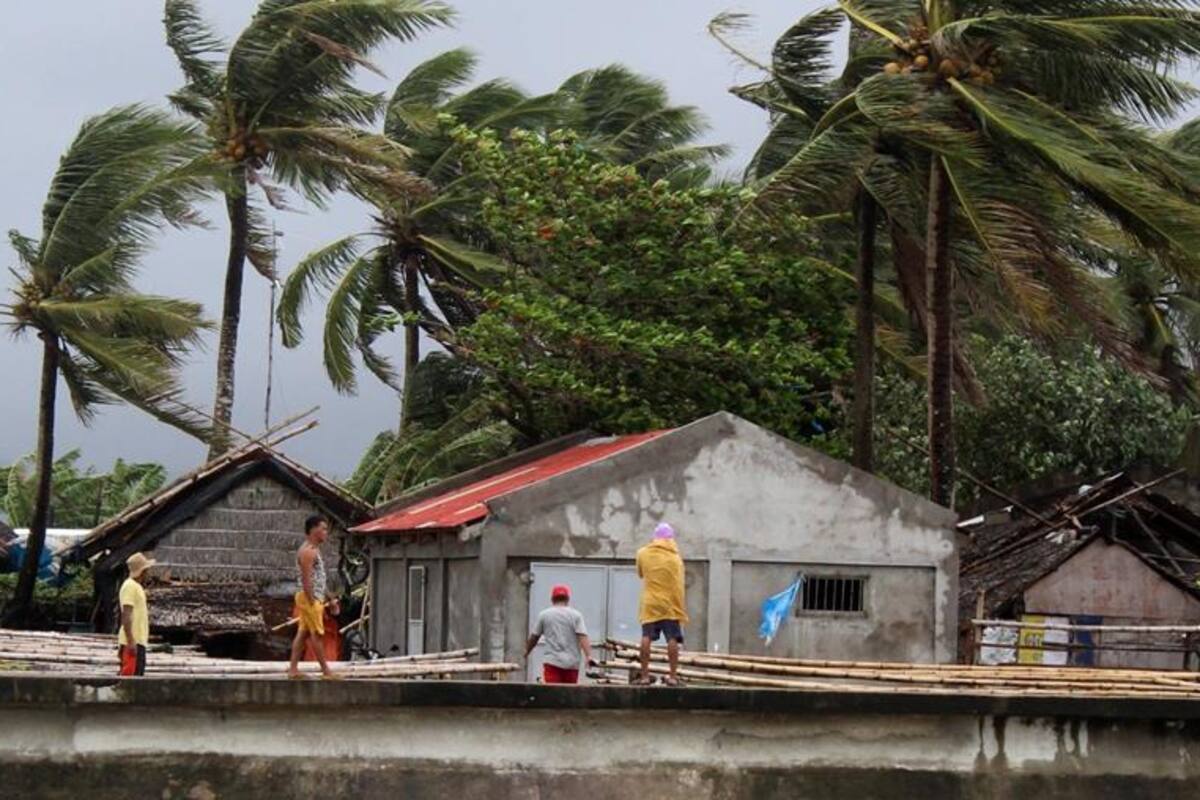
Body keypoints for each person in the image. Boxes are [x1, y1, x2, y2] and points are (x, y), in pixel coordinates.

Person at [288, 514, 340, 679]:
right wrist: (312, 600)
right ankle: (326, 670)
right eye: (323, 529)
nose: (326, 532)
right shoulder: (308, 552)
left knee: (303, 633)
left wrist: (330, 598)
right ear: (313, 530)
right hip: (308, 597)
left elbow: (320, 579)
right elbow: (306, 579)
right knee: (316, 634)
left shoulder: (314, 550)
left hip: (312, 596)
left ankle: (293, 670)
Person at [636, 522, 688, 686]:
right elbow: (678, 582)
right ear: (671, 539)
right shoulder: (676, 557)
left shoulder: (643, 553)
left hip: (650, 603)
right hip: (670, 604)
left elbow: (641, 574)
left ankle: (645, 676)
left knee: (646, 637)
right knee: (672, 638)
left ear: (655, 537)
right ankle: (672, 676)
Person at [525, 584, 595, 684]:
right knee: (569, 694)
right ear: (567, 599)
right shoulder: (576, 615)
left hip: (552, 662)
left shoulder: (544, 615)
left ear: (552, 599)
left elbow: (534, 637)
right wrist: (588, 656)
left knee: (553, 694)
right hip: (572, 663)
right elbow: (582, 636)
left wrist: (526, 652)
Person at [118, 552, 155, 677]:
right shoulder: (129, 586)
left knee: (137, 676)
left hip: (139, 640)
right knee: (130, 678)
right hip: (133, 640)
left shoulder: (136, 587)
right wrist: (130, 640)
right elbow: (126, 614)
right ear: (142, 571)